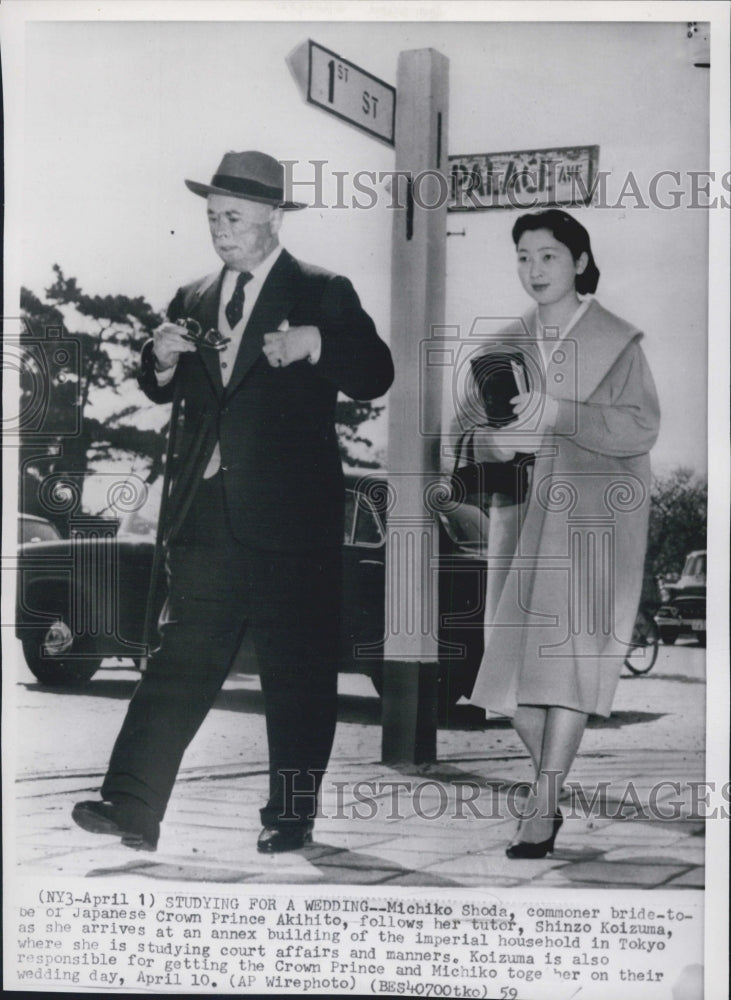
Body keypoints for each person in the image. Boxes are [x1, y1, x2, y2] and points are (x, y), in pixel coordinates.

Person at [73, 150, 394, 853]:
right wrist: (157, 359)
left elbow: (376, 372)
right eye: (212, 216)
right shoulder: (190, 297)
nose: (220, 229)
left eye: (235, 217)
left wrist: (317, 343)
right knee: (178, 659)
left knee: (297, 670)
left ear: (272, 218)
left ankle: (290, 816)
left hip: (292, 519)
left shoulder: (322, 290)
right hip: (207, 517)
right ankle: (130, 805)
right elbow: (165, 388)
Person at [465, 209, 660, 857]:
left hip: (593, 521)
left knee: (568, 669)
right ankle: (550, 793)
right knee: (506, 678)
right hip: (518, 516)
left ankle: (541, 805)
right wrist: (494, 443)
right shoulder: (501, 346)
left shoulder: (617, 340)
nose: (533, 269)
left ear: (578, 261)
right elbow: (469, 437)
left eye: (547, 256)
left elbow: (639, 428)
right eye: (522, 257)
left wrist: (559, 414)